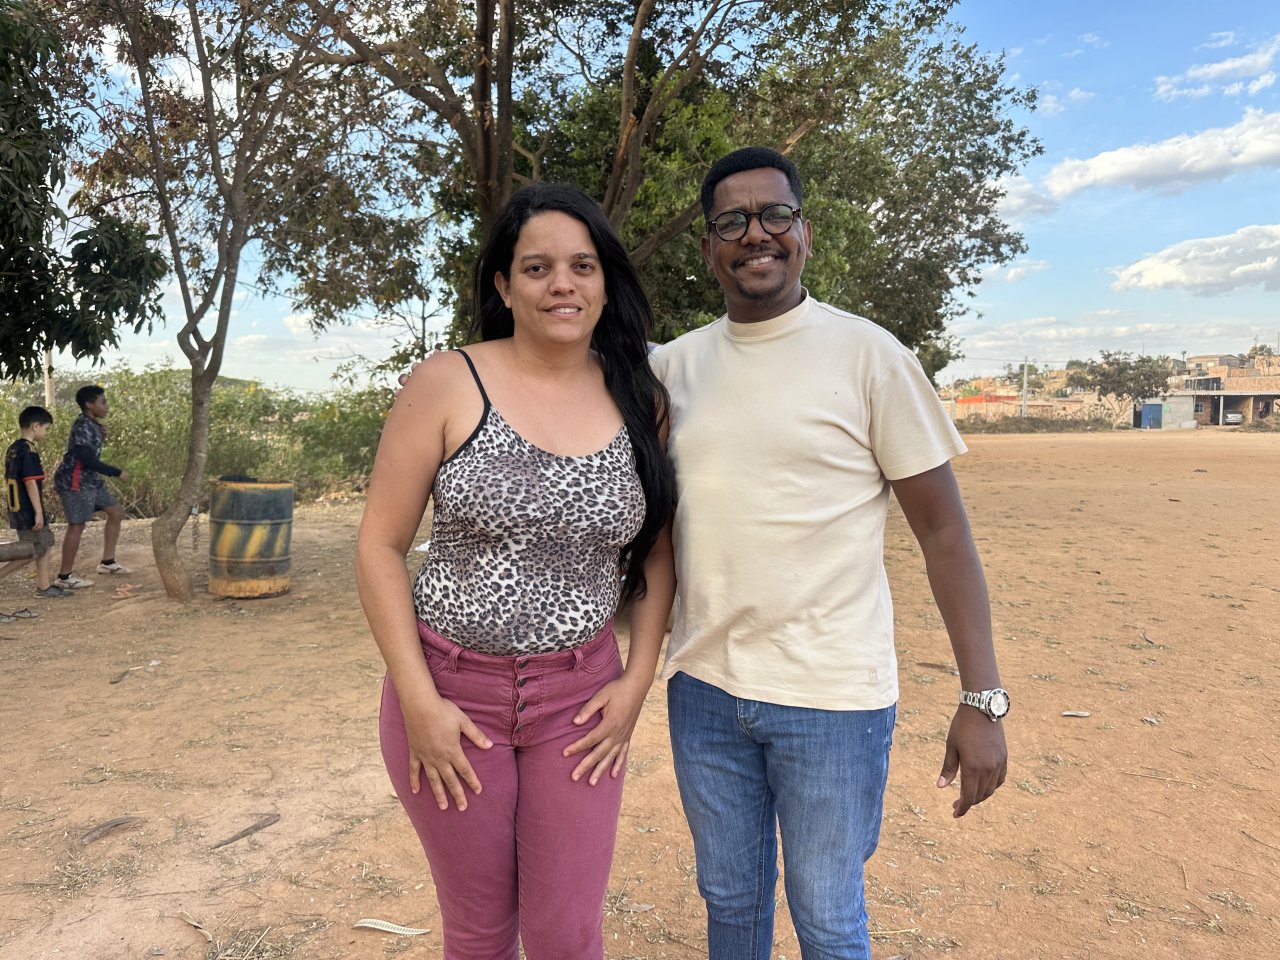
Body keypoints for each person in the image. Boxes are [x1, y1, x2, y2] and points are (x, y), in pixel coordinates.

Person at [648, 146, 1009, 960]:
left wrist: (983, 699)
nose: (756, 234)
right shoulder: (671, 369)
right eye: (732, 222)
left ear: (804, 232)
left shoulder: (871, 357)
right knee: (730, 901)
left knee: (828, 917)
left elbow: (943, 533)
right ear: (707, 247)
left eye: (774, 214)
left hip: (832, 699)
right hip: (704, 691)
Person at [356, 183, 675, 960]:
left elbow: (660, 551)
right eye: (537, 268)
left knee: (567, 935)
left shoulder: (641, 397)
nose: (562, 284)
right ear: (504, 285)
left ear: (606, 282)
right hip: (450, 696)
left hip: (580, 702)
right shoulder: (446, 382)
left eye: (582, 266)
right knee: (479, 932)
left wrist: (637, 681)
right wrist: (420, 701)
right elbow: (379, 547)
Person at [52, 385, 131, 588]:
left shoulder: (92, 424)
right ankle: (64, 577)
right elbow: (85, 458)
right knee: (77, 526)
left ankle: (108, 562)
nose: (107, 406)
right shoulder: (82, 426)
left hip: (90, 480)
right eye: (102, 402)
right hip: (75, 481)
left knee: (115, 512)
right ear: (89, 404)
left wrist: (100, 434)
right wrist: (116, 472)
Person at [3, 406, 68, 599]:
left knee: (43, 545)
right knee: (31, 550)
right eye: (46, 429)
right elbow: (30, 482)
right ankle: (42, 587)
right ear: (35, 426)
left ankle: (44, 586)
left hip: (17, 507)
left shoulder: (13, 448)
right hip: (28, 509)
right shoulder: (29, 450)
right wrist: (38, 511)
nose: (46, 433)